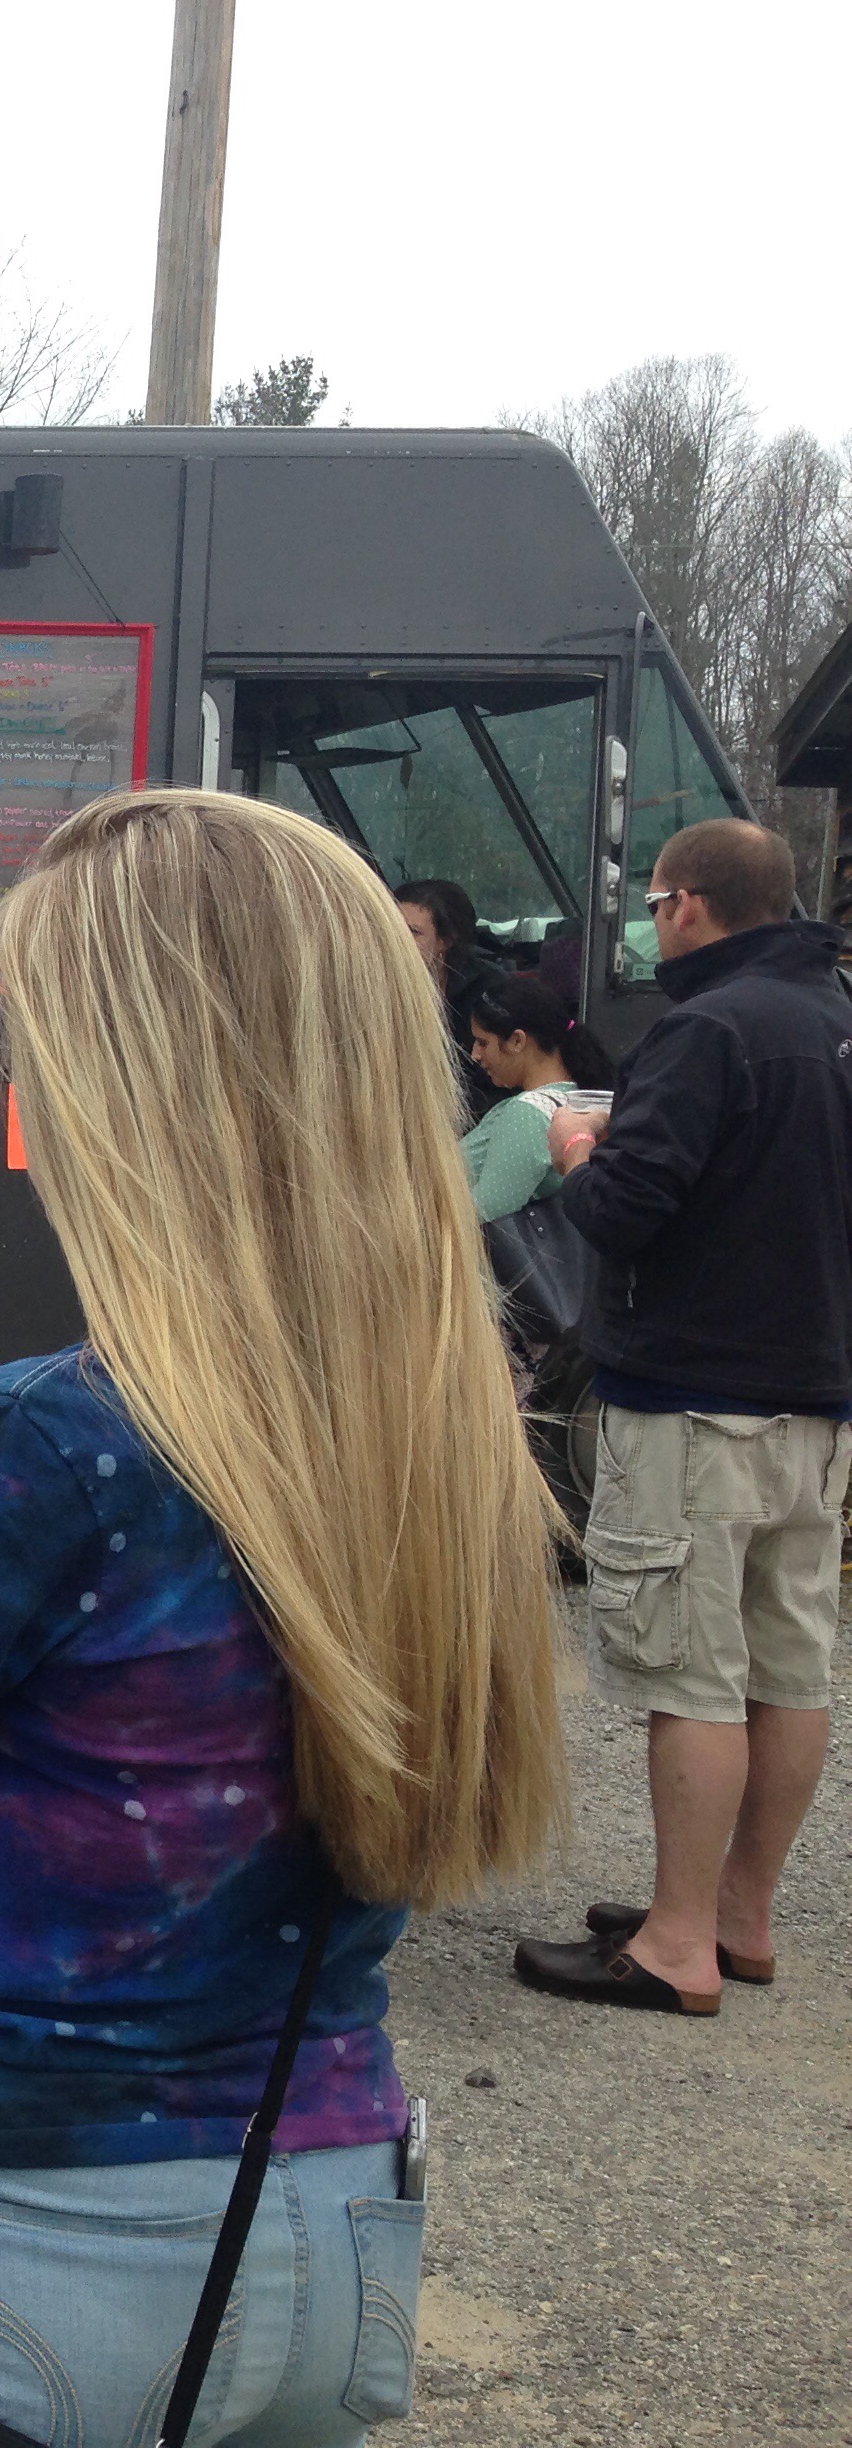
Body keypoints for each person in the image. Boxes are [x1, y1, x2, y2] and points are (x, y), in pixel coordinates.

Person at [0, 790, 564, 2439]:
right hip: (329, 2195)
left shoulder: (40, 1441)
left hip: (27, 2226)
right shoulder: (439, 1428)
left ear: (117, 1089)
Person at [515, 817, 852, 2015]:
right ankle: (739, 1918)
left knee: (693, 1678)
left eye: (653, 905)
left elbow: (625, 1211)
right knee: (788, 1666)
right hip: (817, 1402)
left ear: (690, 905)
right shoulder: (832, 1015)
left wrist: (577, 1151)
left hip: (696, 1401)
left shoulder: (707, 1028)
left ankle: (674, 1945)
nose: (654, 925)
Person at [461, 973, 615, 1222]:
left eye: (482, 1043)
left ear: (517, 1040)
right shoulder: (579, 1100)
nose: (475, 1054)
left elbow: (486, 1211)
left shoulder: (528, 1114)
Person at [395, 875, 502, 1122]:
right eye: (393, 927)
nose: (398, 939)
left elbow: (495, 1079)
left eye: (413, 932)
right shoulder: (375, 981)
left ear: (446, 940)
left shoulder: (487, 991)